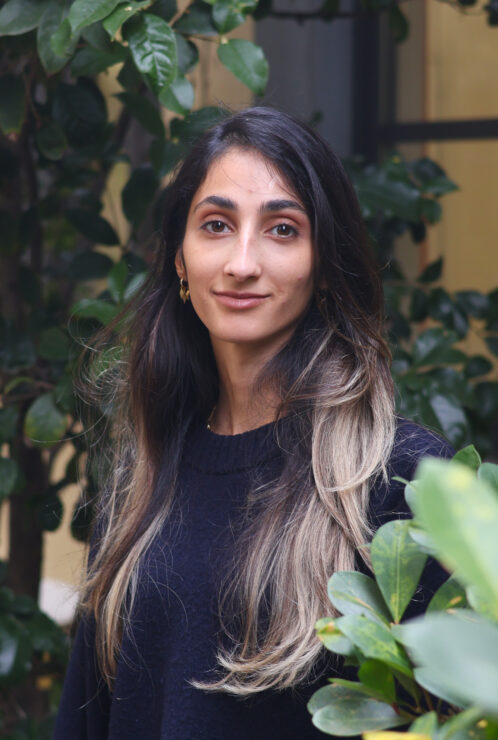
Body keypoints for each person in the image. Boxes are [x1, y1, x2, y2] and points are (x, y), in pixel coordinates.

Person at [53, 107, 453, 740]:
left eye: (282, 229)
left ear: (325, 264)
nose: (242, 262)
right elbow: (87, 716)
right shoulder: (141, 483)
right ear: (179, 259)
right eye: (216, 225)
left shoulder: (399, 480)